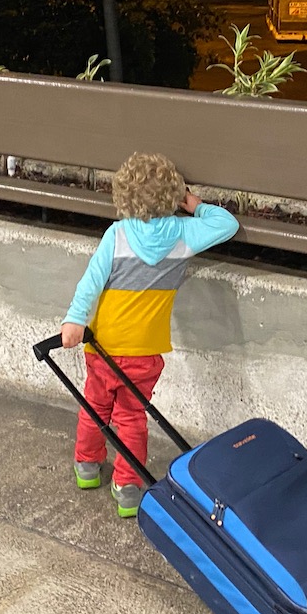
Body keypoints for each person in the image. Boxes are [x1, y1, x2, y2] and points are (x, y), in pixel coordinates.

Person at [61, 152, 239, 517]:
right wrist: (194, 205)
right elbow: (227, 224)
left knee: (95, 407)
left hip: (103, 345)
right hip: (145, 352)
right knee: (131, 417)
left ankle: (87, 467)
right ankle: (127, 488)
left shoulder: (118, 234)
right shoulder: (184, 235)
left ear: (123, 196)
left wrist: (74, 320)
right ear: (172, 196)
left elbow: (91, 282)